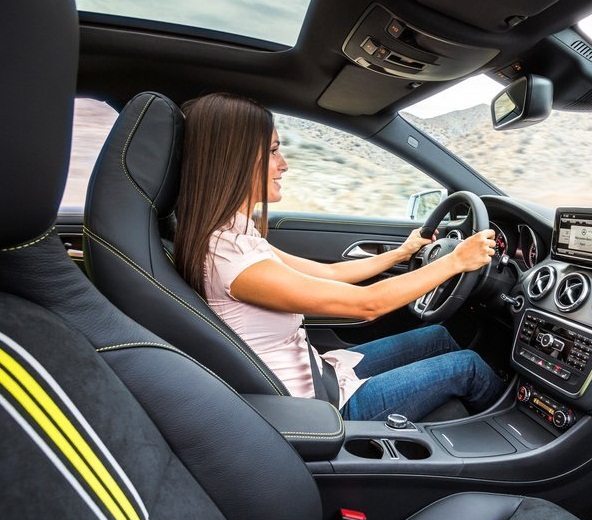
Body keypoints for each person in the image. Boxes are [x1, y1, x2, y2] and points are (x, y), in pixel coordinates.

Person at [174, 93, 504, 421]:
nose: (284, 164)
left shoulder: (236, 236)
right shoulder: (232, 258)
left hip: (322, 376)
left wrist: (402, 253)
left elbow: (329, 274)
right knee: (468, 368)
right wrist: (455, 261)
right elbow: (367, 305)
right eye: (273, 151)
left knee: (437, 338)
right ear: (234, 159)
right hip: (320, 409)